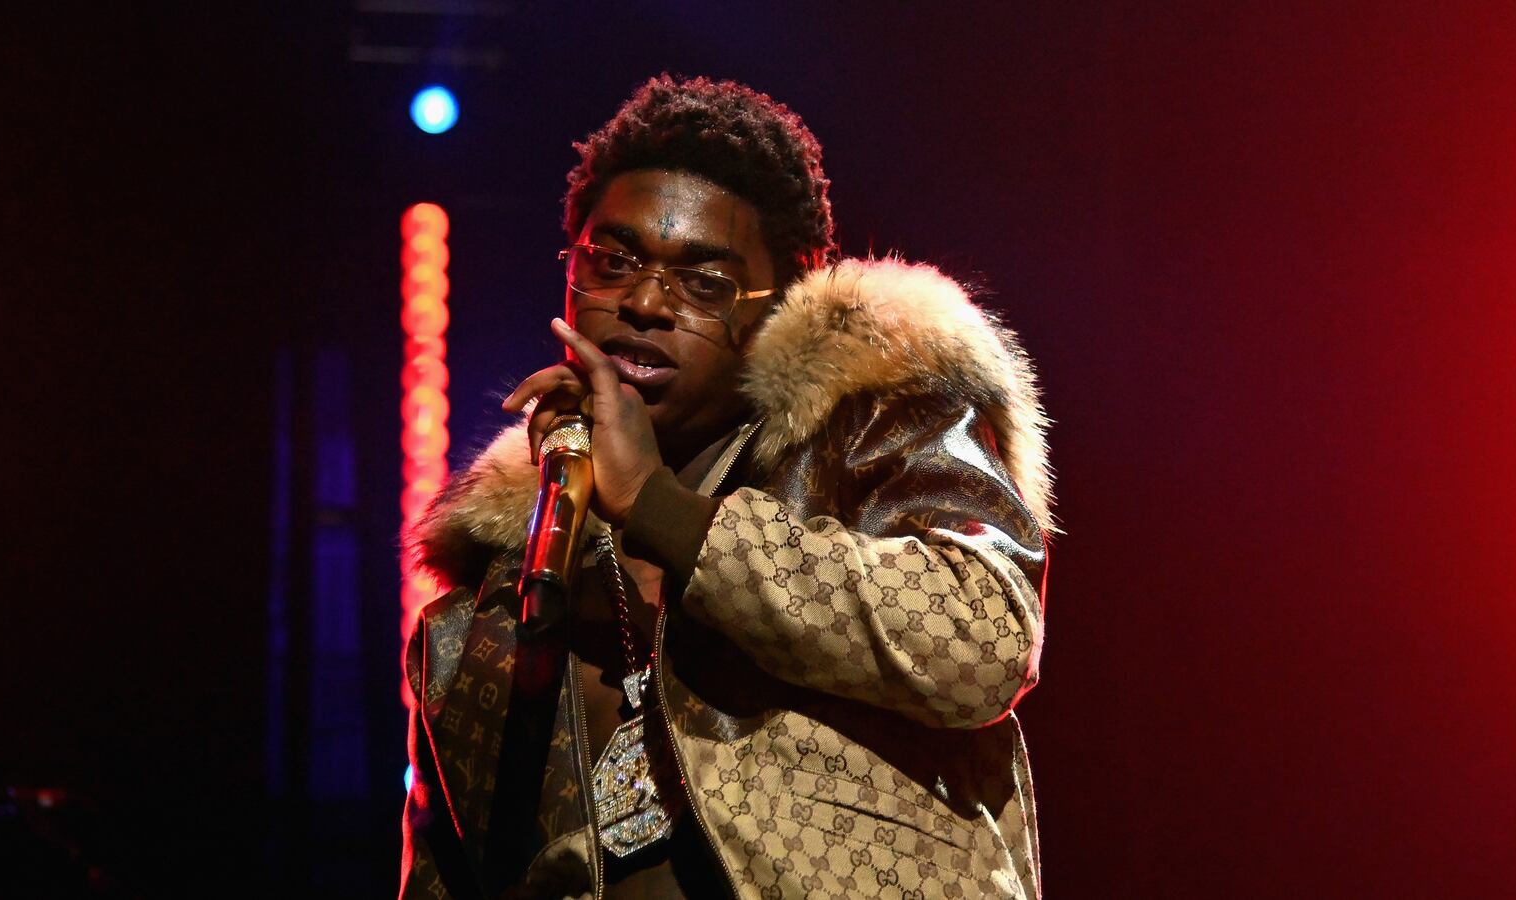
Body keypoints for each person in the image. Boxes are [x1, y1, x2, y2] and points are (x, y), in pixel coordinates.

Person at [400, 74, 1054, 900]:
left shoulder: (871, 438)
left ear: (784, 300)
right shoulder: (488, 610)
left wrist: (662, 512)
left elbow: (981, 644)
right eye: (613, 261)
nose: (642, 303)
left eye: (703, 283)